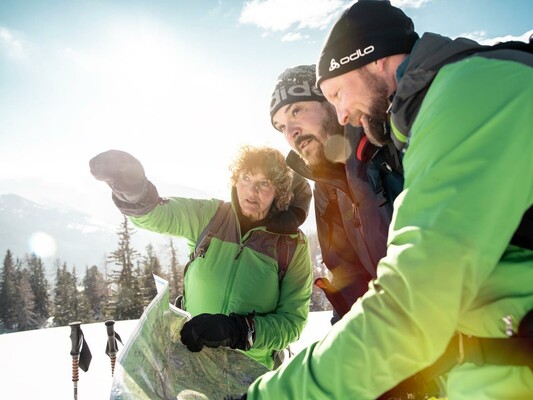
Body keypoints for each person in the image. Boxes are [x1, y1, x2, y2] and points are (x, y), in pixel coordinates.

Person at [241, 0, 533, 398]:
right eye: (280, 126)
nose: (342, 113)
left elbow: (412, 300)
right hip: (466, 368)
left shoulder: (462, 96)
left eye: (337, 93)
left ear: (374, 58)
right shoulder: (414, 124)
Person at [89, 145, 314, 370]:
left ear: (280, 191)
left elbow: (291, 323)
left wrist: (237, 330)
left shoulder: (292, 245)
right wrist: (134, 190)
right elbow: (160, 214)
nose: (251, 191)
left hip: (251, 373)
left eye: (264, 183)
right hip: (193, 363)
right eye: (245, 178)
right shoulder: (211, 216)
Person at [270, 64, 403, 324]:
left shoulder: (388, 146)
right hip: (392, 336)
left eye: (296, 111)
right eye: (280, 126)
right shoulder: (326, 187)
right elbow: (347, 275)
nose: (290, 132)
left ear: (331, 102)